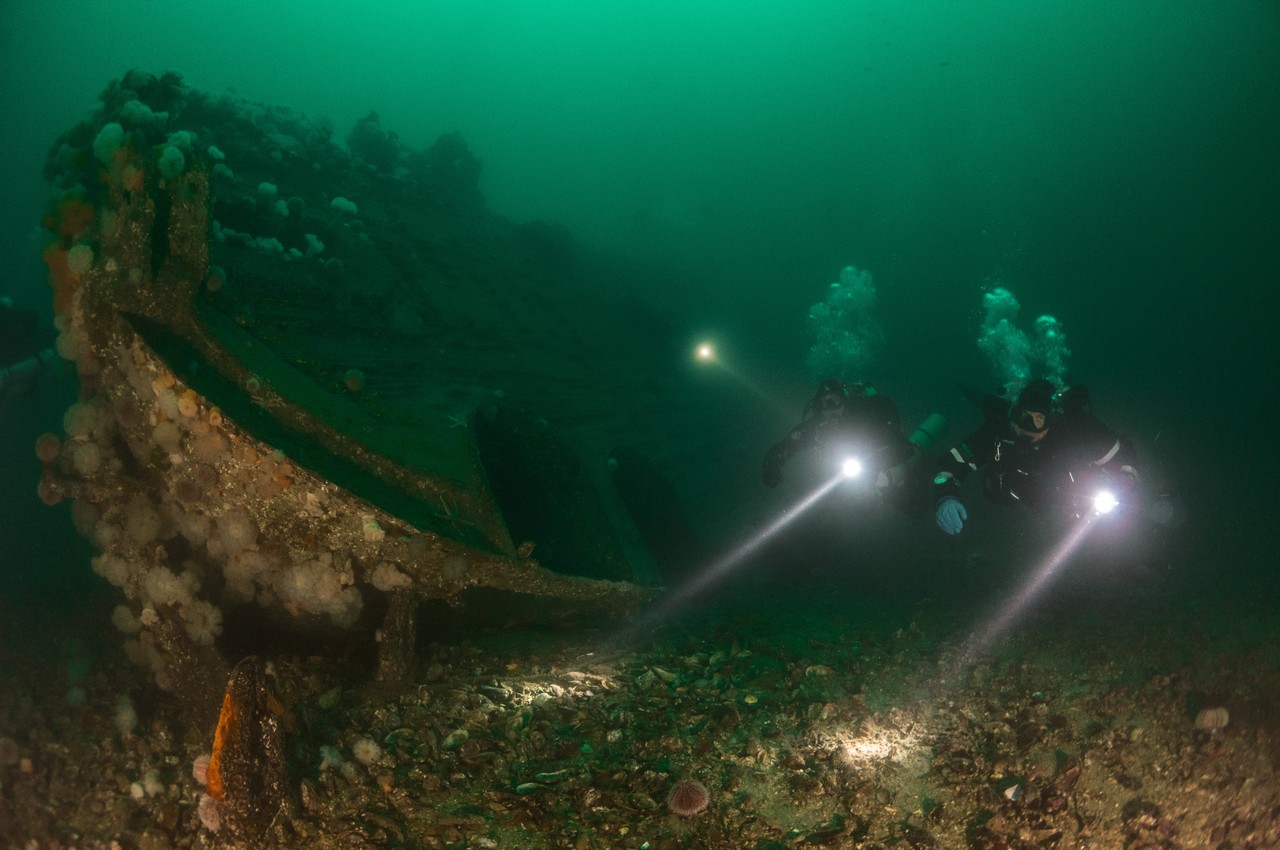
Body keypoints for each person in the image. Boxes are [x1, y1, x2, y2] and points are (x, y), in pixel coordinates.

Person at [932, 379, 1139, 534]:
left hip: (1065, 500)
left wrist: (1125, 480)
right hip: (1010, 500)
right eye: (1024, 416)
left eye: (1039, 419)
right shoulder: (997, 430)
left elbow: (1121, 453)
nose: (1030, 427)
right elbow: (948, 465)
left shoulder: (1072, 428)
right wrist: (945, 496)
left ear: (1051, 418)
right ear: (1014, 414)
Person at [762, 379, 941, 515]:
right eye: (825, 403)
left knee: (916, 509)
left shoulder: (864, 416)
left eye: (835, 400)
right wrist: (773, 460)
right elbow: (792, 441)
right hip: (851, 481)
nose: (831, 407)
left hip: (882, 470)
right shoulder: (816, 428)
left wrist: (878, 465)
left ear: (845, 400)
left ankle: (933, 469)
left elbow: (902, 447)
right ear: (818, 407)